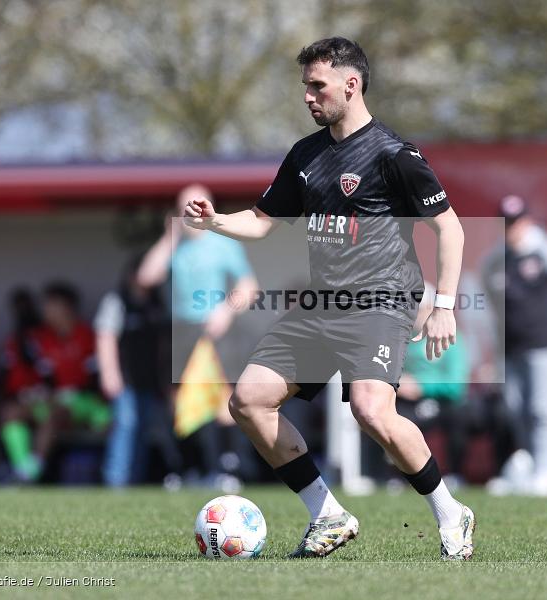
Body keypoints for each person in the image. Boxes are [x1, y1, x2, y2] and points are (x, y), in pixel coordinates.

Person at [181, 37, 473, 560]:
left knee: (371, 411)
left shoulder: (394, 154)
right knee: (248, 401)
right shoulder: (305, 155)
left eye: (317, 86)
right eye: (305, 87)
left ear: (350, 84)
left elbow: (449, 229)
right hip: (322, 306)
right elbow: (264, 222)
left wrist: (445, 304)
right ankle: (328, 514)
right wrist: (217, 221)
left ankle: (451, 512)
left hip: (381, 302)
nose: (309, 97)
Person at [138, 184, 259, 487]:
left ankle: (227, 470)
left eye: (195, 205)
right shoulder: (174, 245)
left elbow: (248, 288)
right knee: (180, 401)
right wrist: (169, 237)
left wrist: (225, 311)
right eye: (184, 207)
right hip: (181, 330)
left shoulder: (223, 244)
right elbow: (146, 278)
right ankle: (186, 468)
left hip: (216, 330)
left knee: (222, 401)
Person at [482, 195, 547, 496]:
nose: (512, 229)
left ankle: (546, 470)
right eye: (507, 223)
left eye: (517, 222)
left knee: (543, 410)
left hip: (546, 343)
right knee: (516, 410)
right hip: (512, 346)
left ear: (528, 221)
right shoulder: (497, 260)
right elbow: (493, 300)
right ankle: (527, 466)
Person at [0, 282, 109, 482]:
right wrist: (39, 392)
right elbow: (45, 378)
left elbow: (96, 381)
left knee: (55, 414)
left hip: (88, 403)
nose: (45, 311)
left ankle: (32, 472)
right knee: (12, 412)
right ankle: (22, 469)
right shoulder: (43, 338)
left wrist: (67, 393)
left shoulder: (88, 335)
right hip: (55, 400)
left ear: (65, 307)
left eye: (50, 305)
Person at [95, 254, 179, 487]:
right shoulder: (117, 302)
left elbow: (164, 345)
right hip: (125, 381)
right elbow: (105, 338)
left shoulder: (158, 304)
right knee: (126, 426)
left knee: (145, 430)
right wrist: (110, 374)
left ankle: (135, 481)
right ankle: (116, 480)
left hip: (151, 382)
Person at [395, 284, 472, 489]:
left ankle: (455, 474)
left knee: (458, 416)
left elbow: (456, 385)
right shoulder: (401, 340)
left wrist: (422, 387)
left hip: (444, 402)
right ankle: (396, 477)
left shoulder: (452, 339)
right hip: (407, 401)